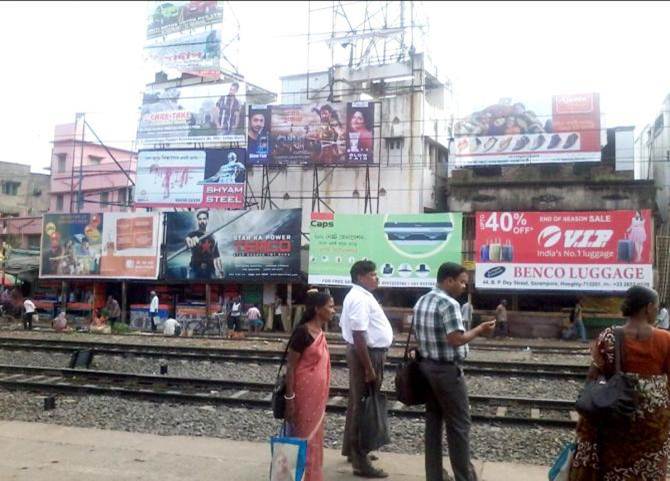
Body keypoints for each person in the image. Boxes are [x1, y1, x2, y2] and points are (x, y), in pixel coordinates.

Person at [569, 285, 670, 480]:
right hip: (652, 427)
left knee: (613, 469)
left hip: (615, 417)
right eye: (656, 307)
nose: (656, 311)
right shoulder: (666, 340)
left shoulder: (608, 336)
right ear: (648, 307)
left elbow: (593, 376)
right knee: (647, 471)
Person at [413, 262, 496, 481]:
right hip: (447, 372)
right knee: (459, 426)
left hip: (426, 368)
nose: (463, 287)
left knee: (433, 423)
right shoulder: (449, 304)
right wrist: (479, 329)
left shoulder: (422, 300)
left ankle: (434, 476)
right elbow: (456, 339)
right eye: (461, 282)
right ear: (448, 280)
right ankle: (464, 477)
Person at [340, 260, 392, 478]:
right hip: (367, 355)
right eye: (372, 274)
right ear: (360, 277)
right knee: (363, 406)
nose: (376, 277)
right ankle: (361, 462)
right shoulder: (359, 298)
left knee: (357, 403)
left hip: (367, 354)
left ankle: (353, 451)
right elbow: (359, 334)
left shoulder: (361, 295)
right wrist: (369, 368)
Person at [284, 292, 333, 481]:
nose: (333, 311)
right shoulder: (302, 332)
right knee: (303, 438)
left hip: (316, 398)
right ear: (317, 309)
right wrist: (290, 399)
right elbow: (291, 367)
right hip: (302, 396)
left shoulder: (320, 333)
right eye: (329, 306)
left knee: (315, 440)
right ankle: (297, 477)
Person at [185, 210, 223, 280]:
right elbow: (187, 240)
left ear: (207, 220)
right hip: (195, 269)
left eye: (204, 219)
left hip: (210, 269)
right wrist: (190, 241)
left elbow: (217, 257)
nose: (202, 221)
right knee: (191, 289)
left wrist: (220, 271)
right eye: (200, 219)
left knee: (211, 290)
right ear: (197, 221)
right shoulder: (192, 234)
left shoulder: (213, 237)